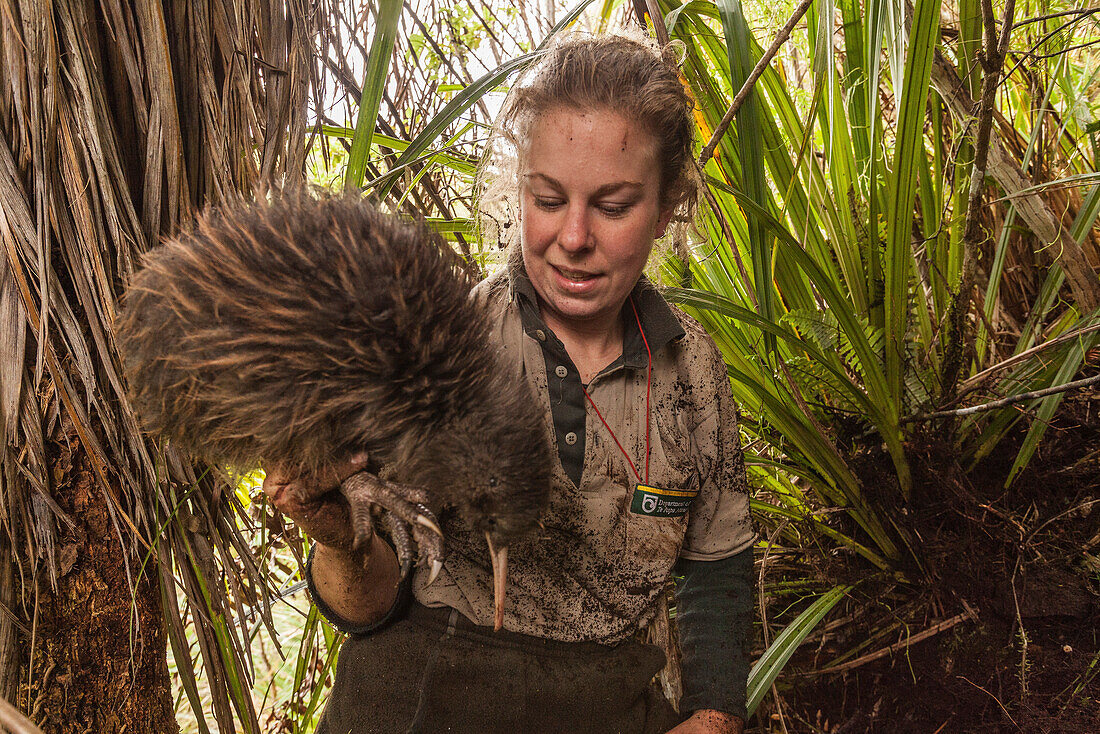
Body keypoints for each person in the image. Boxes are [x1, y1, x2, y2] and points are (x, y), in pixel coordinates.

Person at [263, 33, 755, 734]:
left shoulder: (694, 375)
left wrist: (712, 716)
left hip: (608, 704)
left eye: (613, 206)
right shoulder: (441, 345)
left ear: (668, 206)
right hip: (419, 697)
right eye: (549, 199)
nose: (574, 236)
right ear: (518, 188)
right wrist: (339, 534)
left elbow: (717, 571)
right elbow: (369, 607)